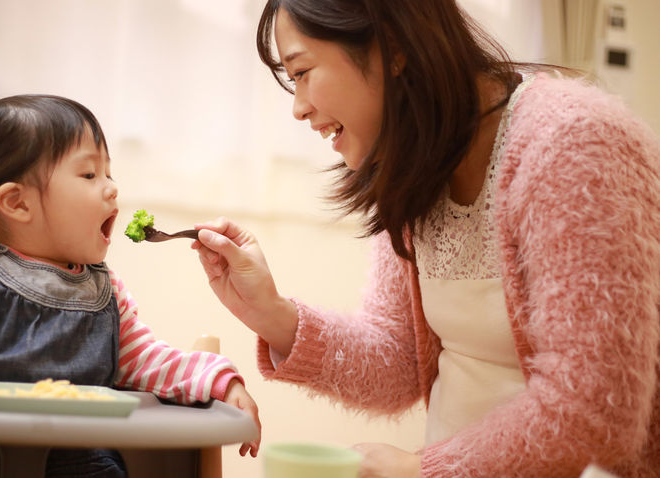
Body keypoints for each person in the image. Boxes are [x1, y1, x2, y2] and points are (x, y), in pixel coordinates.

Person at [191, 0, 660, 477]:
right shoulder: (414, 160)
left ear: (393, 48)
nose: (298, 107)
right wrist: (272, 315)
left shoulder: (575, 143)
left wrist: (422, 468)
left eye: (303, 71)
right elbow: (398, 363)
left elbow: (598, 410)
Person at [0, 94, 261, 478]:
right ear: (17, 203)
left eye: (109, 173)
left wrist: (220, 383)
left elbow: (146, 360)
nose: (111, 188)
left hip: (81, 465)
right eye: (90, 174)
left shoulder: (105, 291)